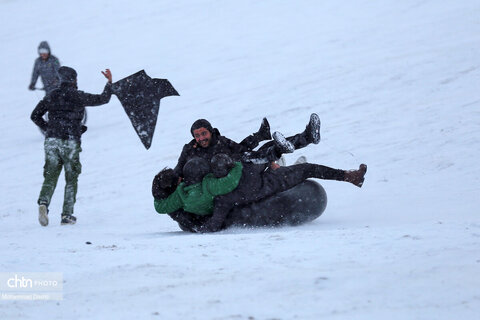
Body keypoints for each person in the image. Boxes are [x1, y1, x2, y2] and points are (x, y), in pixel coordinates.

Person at [154, 151, 367, 233]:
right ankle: (349, 176)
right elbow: (259, 158)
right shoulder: (235, 175)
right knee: (307, 168)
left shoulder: (220, 197)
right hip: (275, 183)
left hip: (273, 183)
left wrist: (197, 227)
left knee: (305, 169)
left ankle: (350, 176)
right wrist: (271, 162)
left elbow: (214, 223)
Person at [31, 66, 113, 226]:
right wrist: (109, 82)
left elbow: (34, 115)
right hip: (70, 141)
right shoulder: (78, 96)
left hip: (52, 141)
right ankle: (67, 215)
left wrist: (48, 128)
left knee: (50, 176)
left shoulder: (51, 96)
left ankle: (43, 203)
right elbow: (103, 99)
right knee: (71, 178)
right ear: (74, 80)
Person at [173, 114, 321, 180]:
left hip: (240, 167)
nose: (201, 138)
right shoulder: (189, 149)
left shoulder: (221, 141)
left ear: (210, 132)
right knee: (264, 150)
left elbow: (240, 149)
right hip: (229, 180)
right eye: (197, 136)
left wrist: (266, 157)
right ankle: (268, 141)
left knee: (267, 147)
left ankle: (308, 137)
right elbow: (179, 168)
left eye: (203, 133)